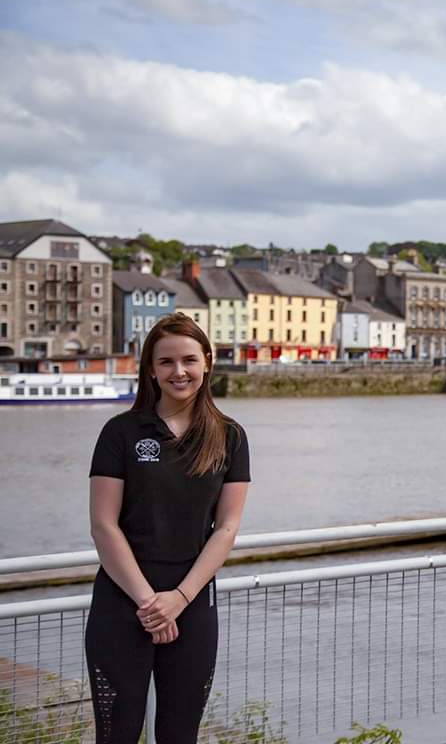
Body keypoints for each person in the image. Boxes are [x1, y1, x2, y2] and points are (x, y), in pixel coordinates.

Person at [85, 312, 251, 743]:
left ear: (207, 362)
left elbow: (226, 528)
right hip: (122, 603)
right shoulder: (120, 432)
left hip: (192, 605)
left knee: (180, 734)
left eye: (189, 360)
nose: (179, 371)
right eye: (166, 362)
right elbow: (103, 526)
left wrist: (179, 598)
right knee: (117, 734)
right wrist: (150, 603)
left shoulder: (229, 436)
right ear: (151, 370)